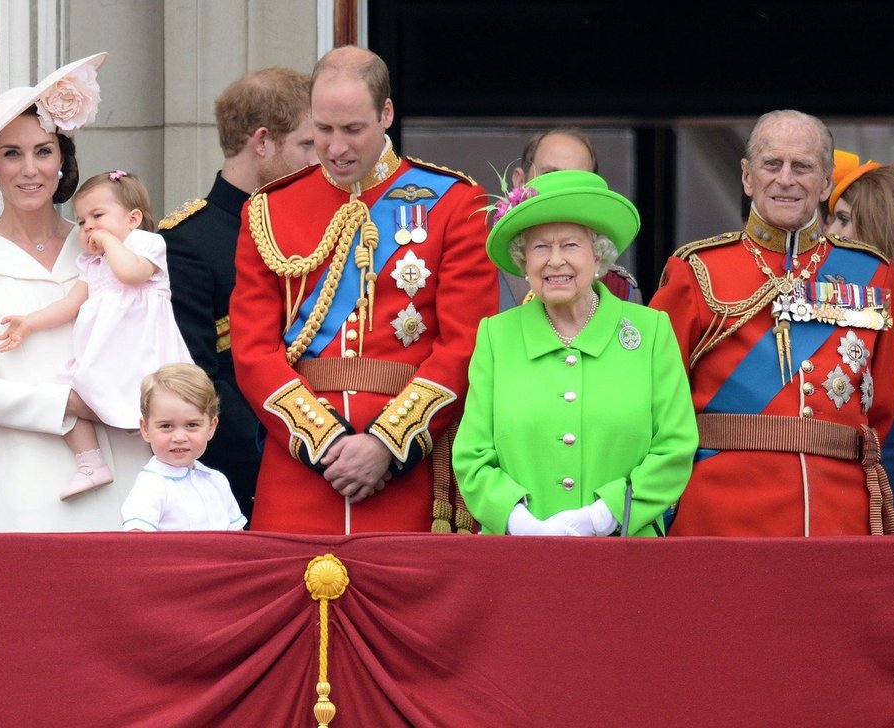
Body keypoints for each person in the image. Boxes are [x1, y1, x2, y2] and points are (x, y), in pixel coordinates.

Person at [229, 45, 498, 534]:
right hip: (301, 467)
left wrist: (386, 445)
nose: (336, 148)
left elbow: (464, 346)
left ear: (387, 113)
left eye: (353, 130)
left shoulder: (455, 203)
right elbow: (252, 351)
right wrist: (324, 440)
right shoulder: (269, 209)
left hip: (407, 467)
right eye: (324, 130)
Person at [650, 110, 894, 536]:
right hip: (721, 519)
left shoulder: (872, 273)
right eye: (772, 164)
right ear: (747, 177)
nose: (786, 179)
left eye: (802, 166)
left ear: (824, 183)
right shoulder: (696, 269)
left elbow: (878, 411)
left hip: (836, 517)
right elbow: (654, 401)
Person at [0, 53, 151, 532]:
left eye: (43, 151)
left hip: (135, 469)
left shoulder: (105, 245)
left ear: (63, 159)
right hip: (34, 480)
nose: (29, 169)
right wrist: (71, 404)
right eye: (12, 153)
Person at [452, 170, 698, 536]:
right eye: (540, 247)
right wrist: (519, 523)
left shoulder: (650, 332)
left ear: (598, 257)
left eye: (570, 245)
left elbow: (675, 448)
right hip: (515, 558)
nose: (555, 261)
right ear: (523, 261)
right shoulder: (496, 336)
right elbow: (472, 456)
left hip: (624, 553)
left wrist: (604, 515)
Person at [161, 67, 319, 521]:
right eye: (307, 145)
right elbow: (198, 381)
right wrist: (297, 450)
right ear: (263, 142)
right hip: (244, 481)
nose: (322, 158)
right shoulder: (187, 242)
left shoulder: (324, 230)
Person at [0, 170, 193, 500]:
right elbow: (70, 304)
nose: (88, 227)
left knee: (162, 412)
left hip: (143, 354)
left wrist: (111, 241)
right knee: (64, 395)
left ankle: (174, 475)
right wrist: (30, 322)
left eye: (97, 216)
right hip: (104, 355)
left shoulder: (147, 244)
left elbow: (131, 275)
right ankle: (90, 463)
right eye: (82, 220)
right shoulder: (91, 264)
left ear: (132, 218)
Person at [823, 158, 894, 513]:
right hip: (842, 515)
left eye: (843, 219)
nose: (830, 232)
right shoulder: (830, 307)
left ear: (879, 226)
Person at [501, 127, 642, 307]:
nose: (563, 189)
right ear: (520, 181)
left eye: (577, 178)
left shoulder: (620, 289)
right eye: (550, 175)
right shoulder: (485, 276)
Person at [121, 363, 247, 531]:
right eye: (166, 426)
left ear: (211, 427)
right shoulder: (151, 485)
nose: (179, 438)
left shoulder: (217, 480)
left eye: (191, 425)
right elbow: (137, 543)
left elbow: (238, 539)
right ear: (145, 429)